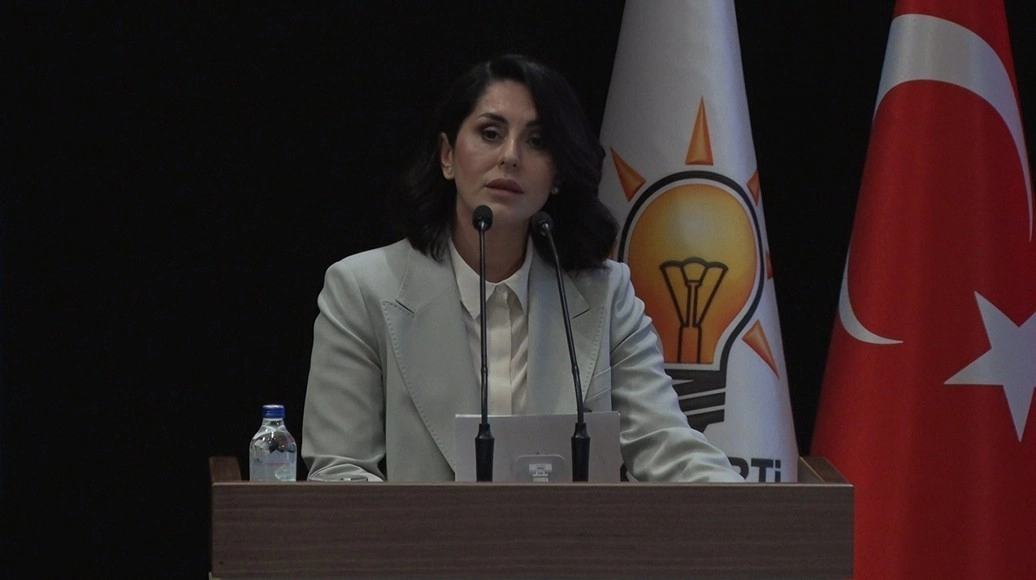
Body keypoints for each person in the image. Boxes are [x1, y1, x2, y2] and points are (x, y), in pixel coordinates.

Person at [302, 54, 743, 483]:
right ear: (447, 155)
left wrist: (756, 513)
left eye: (537, 141)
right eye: (490, 133)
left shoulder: (605, 294)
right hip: (419, 537)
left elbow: (666, 446)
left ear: (558, 175)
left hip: (565, 537)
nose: (510, 156)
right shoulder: (363, 289)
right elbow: (340, 471)